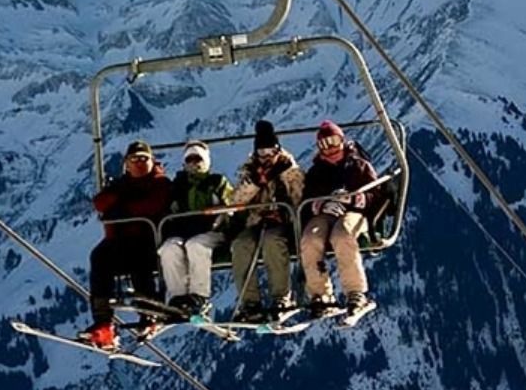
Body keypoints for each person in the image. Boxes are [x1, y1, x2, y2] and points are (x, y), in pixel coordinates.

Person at [79, 140, 171, 349]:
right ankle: (104, 322)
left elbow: (152, 205)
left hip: (151, 241)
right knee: (100, 257)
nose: (139, 163)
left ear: (152, 161)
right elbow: (100, 203)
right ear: (126, 164)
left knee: (140, 261)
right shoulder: (122, 185)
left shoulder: (160, 182)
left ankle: (149, 314)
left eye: (144, 159)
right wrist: (121, 200)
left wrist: (122, 206)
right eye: (134, 159)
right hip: (122, 242)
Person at [300, 120, 378, 318]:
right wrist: (321, 204)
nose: (331, 148)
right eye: (324, 144)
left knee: (342, 235)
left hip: (353, 212)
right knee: (310, 239)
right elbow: (307, 199)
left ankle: (356, 292)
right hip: (325, 213)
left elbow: (376, 193)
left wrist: (355, 199)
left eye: (334, 141)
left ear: (342, 141)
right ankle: (320, 294)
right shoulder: (316, 172)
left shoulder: (358, 165)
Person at [230, 120, 304, 322]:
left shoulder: (289, 168)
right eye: (261, 153)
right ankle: (250, 302)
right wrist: (253, 184)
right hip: (257, 220)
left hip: (283, 221)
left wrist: (286, 180)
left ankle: (282, 297)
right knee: (241, 245)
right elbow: (236, 201)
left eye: (270, 151)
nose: (266, 157)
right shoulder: (249, 171)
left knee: (272, 242)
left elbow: (299, 199)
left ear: (278, 149)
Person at [158, 140, 233, 320]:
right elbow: (171, 210)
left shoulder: (216, 182)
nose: (193, 164)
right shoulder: (179, 185)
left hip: (213, 231)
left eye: (197, 159)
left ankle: (199, 296)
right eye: (189, 160)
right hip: (185, 231)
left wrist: (222, 218)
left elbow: (231, 205)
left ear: (206, 161)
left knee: (196, 245)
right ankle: (178, 297)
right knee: (169, 248)